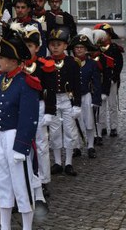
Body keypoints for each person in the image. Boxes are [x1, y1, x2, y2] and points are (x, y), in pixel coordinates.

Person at [0, 24, 40, 230]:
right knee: (3, 182)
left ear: (13, 60)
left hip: (16, 137)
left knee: (22, 184)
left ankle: (27, 226)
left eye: (1, 57)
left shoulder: (27, 82)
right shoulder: (1, 79)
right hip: (0, 136)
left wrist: (22, 145)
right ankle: (4, 225)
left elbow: (29, 117)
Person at [21, 24, 56, 204]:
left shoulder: (44, 66)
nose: (27, 49)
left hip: (39, 106)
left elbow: (50, 90)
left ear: (37, 47)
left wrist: (50, 111)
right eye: (24, 45)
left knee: (41, 144)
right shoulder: (17, 65)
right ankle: (26, 178)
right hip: (22, 109)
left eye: (30, 45)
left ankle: (43, 180)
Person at [46, 26, 81, 176]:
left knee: (69, 130)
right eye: (52, 44)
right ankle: (57, 163)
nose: (55, 47)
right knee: (54, 133)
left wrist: (77, 104)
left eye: (58, 44)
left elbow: (77, 84)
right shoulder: (45, 62)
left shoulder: (72, 62)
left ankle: (68, 163)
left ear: (65, 46)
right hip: (52, 101)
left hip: (67, 100)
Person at [69, 29, 101, 159]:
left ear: (86, 49)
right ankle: (76, 146)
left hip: (86, 96)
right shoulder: (70, 63)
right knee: (74, 122)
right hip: (72, 97)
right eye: (77, 47)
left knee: (89, 122)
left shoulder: (92, 64)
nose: (79, 50)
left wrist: (96, 99)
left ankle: (90, 146)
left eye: (82, 47)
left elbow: (97, 83)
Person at [93, 23, 124, 137]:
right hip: (99, 80)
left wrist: (114, 77)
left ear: (110, 36)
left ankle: (114, 127)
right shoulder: (95, 49)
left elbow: (119, 65)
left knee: (112, 105)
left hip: (111, 80)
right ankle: (102, 126)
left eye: (105, 34)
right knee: (100, 105)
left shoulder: (115, 49)